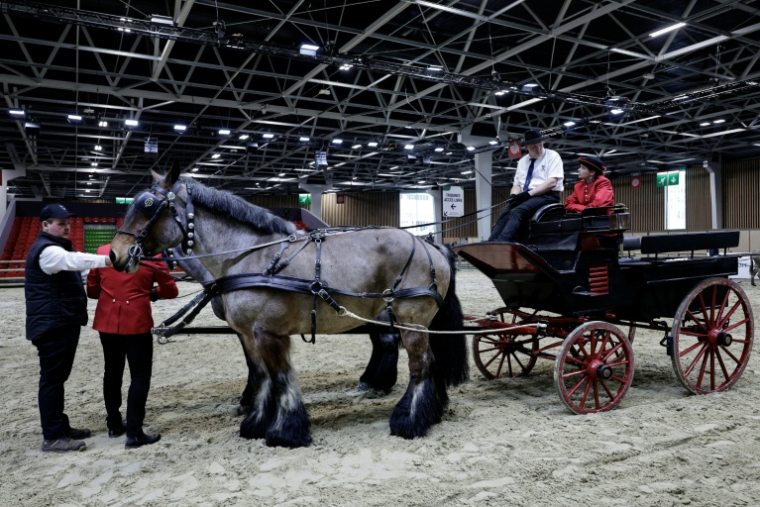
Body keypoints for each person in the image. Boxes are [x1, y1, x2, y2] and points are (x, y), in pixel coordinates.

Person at [25, 204, 112, 452]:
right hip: (53, 324)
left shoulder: (58, 248)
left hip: (60, 321)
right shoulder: (49, 251)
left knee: (57, 379)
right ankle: (52, 436)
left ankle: (59, 427)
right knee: (52, 380)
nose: (66, 227)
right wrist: (109, 259)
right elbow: (73, 262)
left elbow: (82, 267)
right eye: (60, 223)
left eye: (67, 223)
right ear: (45, 225)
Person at [87, 243, 178, 449]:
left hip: (107, 322)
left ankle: (114, 425)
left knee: (112, 373)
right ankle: (135, 432)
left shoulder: (103, 251)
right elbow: (171, 290)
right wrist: (153, 293)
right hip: (137, 323)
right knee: (139, 376)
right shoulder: (151, 254)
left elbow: (92, 291)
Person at [488, 129, 564, 242]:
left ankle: (502, 242)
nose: (538, 148)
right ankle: (490, 242)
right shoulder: (522, 161)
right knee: (505, 213)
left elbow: (552, 182)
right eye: (534, 146)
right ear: (526, 147)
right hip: (528, 196)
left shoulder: (552, 156)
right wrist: (513, 196)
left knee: (517, 211)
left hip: (548, 195)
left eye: (540, 145)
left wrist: (528, 194)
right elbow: (517, 184)